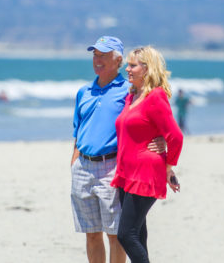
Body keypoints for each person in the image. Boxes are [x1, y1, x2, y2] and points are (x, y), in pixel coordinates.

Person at [71, 36, 165, 263]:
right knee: (91, 234)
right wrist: (73, 162)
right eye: (95, 54)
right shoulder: (83, 92)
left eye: (103, 55)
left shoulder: (130, 90)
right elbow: (77, 131)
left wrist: (162, 139)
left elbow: (153, 114)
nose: (97, 59)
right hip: (82, 168)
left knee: (115, 236)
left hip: (112, 168)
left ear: (119, 60)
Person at [111, 46, 184, 263]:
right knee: (138, 233)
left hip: (145, 173)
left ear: (147, 68)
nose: (128, 69)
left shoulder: (156, 97)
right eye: (128, 64)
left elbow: (176, 136)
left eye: (133, 65)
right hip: (127, 173)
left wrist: (168, 167)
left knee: (126, 234)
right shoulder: (131, 97)